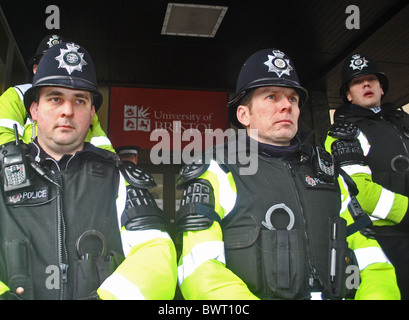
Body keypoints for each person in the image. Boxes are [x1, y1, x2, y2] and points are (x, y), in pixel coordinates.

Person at [175, 49, 400, 300]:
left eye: (292, 99)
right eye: (272, 97)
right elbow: (200, 270)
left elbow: (374, 263)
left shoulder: (329, 172)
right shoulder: (217, 170)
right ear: (243, 115)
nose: (286, 106)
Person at [0, 42, 177, 300]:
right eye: (55, 98)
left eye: (79, 100)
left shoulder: (121, 178)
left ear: (92, 113)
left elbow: (157, 255)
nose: (67, 111)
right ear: (34, 110)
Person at [325, 53, 409, 299]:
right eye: (357, 81)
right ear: (348, 95)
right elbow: (362, 194)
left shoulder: (402, 124)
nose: (366, 84)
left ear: (381, 87)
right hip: (384, 241)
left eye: (371, 79)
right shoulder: (344, 133)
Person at [0, 34, 114, 153]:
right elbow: (3, 135)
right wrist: (22, 163)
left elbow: (103, 147)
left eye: (79, 101)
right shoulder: (17, 94)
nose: (68, 111)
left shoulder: (84, 106)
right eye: (47, 62)